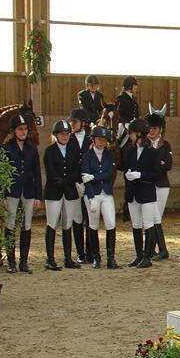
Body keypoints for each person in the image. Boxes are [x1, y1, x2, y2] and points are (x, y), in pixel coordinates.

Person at [2, 114, 42, 274]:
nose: (23, 132)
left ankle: (23, 261)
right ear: (14, 131)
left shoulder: (32, 147)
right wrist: (2, 196)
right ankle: (11, 261)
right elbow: (2, 173)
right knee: (10, 224)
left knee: (27, 225)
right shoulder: (6, 148)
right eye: (20, 129)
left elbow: (37, 172)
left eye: (25, 129)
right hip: (12, 190)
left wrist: (38, 196)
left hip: (29, 189)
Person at [43, 120, 82, 271]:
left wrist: (65, 181)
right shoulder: (50, 151)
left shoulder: (73, 150)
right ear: (56, 135)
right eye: (62, 134)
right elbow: (51, 172)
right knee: (52, 223)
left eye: (67, 134)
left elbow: (77, 171)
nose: (65, 136)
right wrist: (62, 182)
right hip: (54, 191)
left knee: (67, 224)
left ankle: (68, 258)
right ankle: (50, 259)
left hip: (69, 191)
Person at [123, 118, 161, 268]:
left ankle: (147, 256)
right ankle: (139, 255)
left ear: (139, 134)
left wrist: (140, 175)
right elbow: (126, 169)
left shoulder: (153, 153)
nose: (130, 136)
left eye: (131, 133)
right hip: (133, 193)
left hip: (147, 193)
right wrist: (128, 175)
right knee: (136, 225)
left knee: (148, 224)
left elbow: (157, 175)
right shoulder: (129, 151)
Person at [81, 125, 119, 270]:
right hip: (92, 194)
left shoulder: (109, 155)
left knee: (111, 223)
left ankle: (111, 258)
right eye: (99, 139)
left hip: (106, 193)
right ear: (94, 140)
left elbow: (109, 174)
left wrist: (94, 177)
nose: (102, 142)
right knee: (93, 225)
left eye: (104, 140)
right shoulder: (87, 156)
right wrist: (91, 198)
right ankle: (96, 257)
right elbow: (85, 178)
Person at [145, 113, 171, 261]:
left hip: (161, 185)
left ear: (160, 129)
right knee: (152, 217)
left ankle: (158, 250)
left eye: (154, 128)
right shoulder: (144, 145)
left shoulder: (165, 145)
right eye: (150, 128)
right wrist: (158, 164)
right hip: (148, 185)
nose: (152, 131)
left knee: (156, 217)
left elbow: (168, 165)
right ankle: (154, 249)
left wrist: (153, 166)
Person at [68, 108, 92, 264]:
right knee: (77, 218)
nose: (72, 124)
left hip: (89, 183)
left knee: (90, 218)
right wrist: (75, 181)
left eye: (75, 122)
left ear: (83, 123)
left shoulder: (91, 138)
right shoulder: (68, 139)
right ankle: (79, 252)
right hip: (74, 183)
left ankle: (90, 252)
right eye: (71, 122)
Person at [115, 76, 140, 144]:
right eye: (135, 85)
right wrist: (126, 123)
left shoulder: (134, 98)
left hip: (133, 124)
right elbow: (119, 113)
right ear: (130, 86)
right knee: (120, 137)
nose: (136, 87)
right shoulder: (121, 98)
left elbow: (136, 112)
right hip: (124, 124)